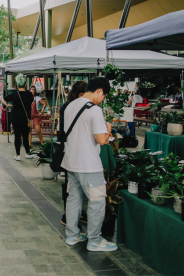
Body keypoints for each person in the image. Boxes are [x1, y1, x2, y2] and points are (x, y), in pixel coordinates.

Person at [62, 77, 117, 252]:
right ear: (99, 90)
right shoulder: (94, 110)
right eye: (104, 95)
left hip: (71, 162)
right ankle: (94, 240)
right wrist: (108, 129)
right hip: (89, 164)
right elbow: (101, 140)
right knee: (97, 201)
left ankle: (72, 235)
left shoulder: (70, 106)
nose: (103, 99)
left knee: (74, 199)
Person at [57, 81, 87, 226]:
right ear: (74, 94)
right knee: (70, 185)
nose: (83, 98)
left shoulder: (87, 107)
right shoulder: (66, 107)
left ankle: (79, 213)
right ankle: (67, 215)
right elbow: (65, 130)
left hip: (81, 151)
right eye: (81, 94)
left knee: (77, 185)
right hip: (70, 150)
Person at [1, 74, 38, 161]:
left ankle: (17, 155)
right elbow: (31, 102)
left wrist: (8, 105)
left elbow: (2, 100)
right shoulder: (29, 95)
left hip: (15, 118)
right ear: (25, 84)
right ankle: (27, 153)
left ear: (17, 86)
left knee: (17, 136)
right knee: (25, 136)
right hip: (26, 118)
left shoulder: (14, 94)